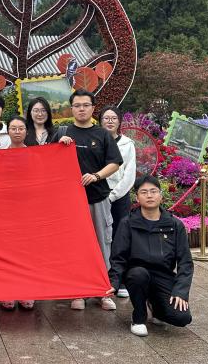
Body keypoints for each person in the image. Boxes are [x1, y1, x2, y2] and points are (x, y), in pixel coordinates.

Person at [54, 89, 123, 311]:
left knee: (102, 244)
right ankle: (78, 291)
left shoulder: (102, 134)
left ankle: (102, 291)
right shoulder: (62, 132)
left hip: (97, 198)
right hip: (68, 203)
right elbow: (47, 161)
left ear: (93, 108)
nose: (81, 109)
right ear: (71, 108)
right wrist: (58, 146)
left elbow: (115, 163)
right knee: (73, 246)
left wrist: (96, 176)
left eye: (86, 105)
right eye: (77, 105)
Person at [107, 175, 193, 337]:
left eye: (153, 191)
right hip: (136, 274)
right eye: (144, 192)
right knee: (138, 274)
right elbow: (118, 257)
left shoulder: (175, 224)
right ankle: (139, 318)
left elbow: (185, 262)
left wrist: (180, 291)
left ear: (160, 195)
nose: (149, 195)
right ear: (137, 197)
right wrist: (114, 282)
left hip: (163, 275)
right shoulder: (128, 223)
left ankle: (154, 306)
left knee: (181, 317)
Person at [99, 105, 136, 298]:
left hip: (119, 197)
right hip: (97, 195)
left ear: (119, 121)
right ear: (100, 121)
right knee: (99, 236)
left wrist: (113, 196)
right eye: (106, 118)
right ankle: (100, 278)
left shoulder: (128, 144)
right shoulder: (95, 141)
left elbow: (129, 174)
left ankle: (119, 280)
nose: (110, 121)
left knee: (119, 237)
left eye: (113, 118)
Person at [0, 115, 35, 311]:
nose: (17, 132)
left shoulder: (35, 154)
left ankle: (26, 291)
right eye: (13, 128)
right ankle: (7, 291)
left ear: (26, 131)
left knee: (27, 252)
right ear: (8, 131)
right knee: (6, 251)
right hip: (5, 210)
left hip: (27, 209)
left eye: (21, 128)